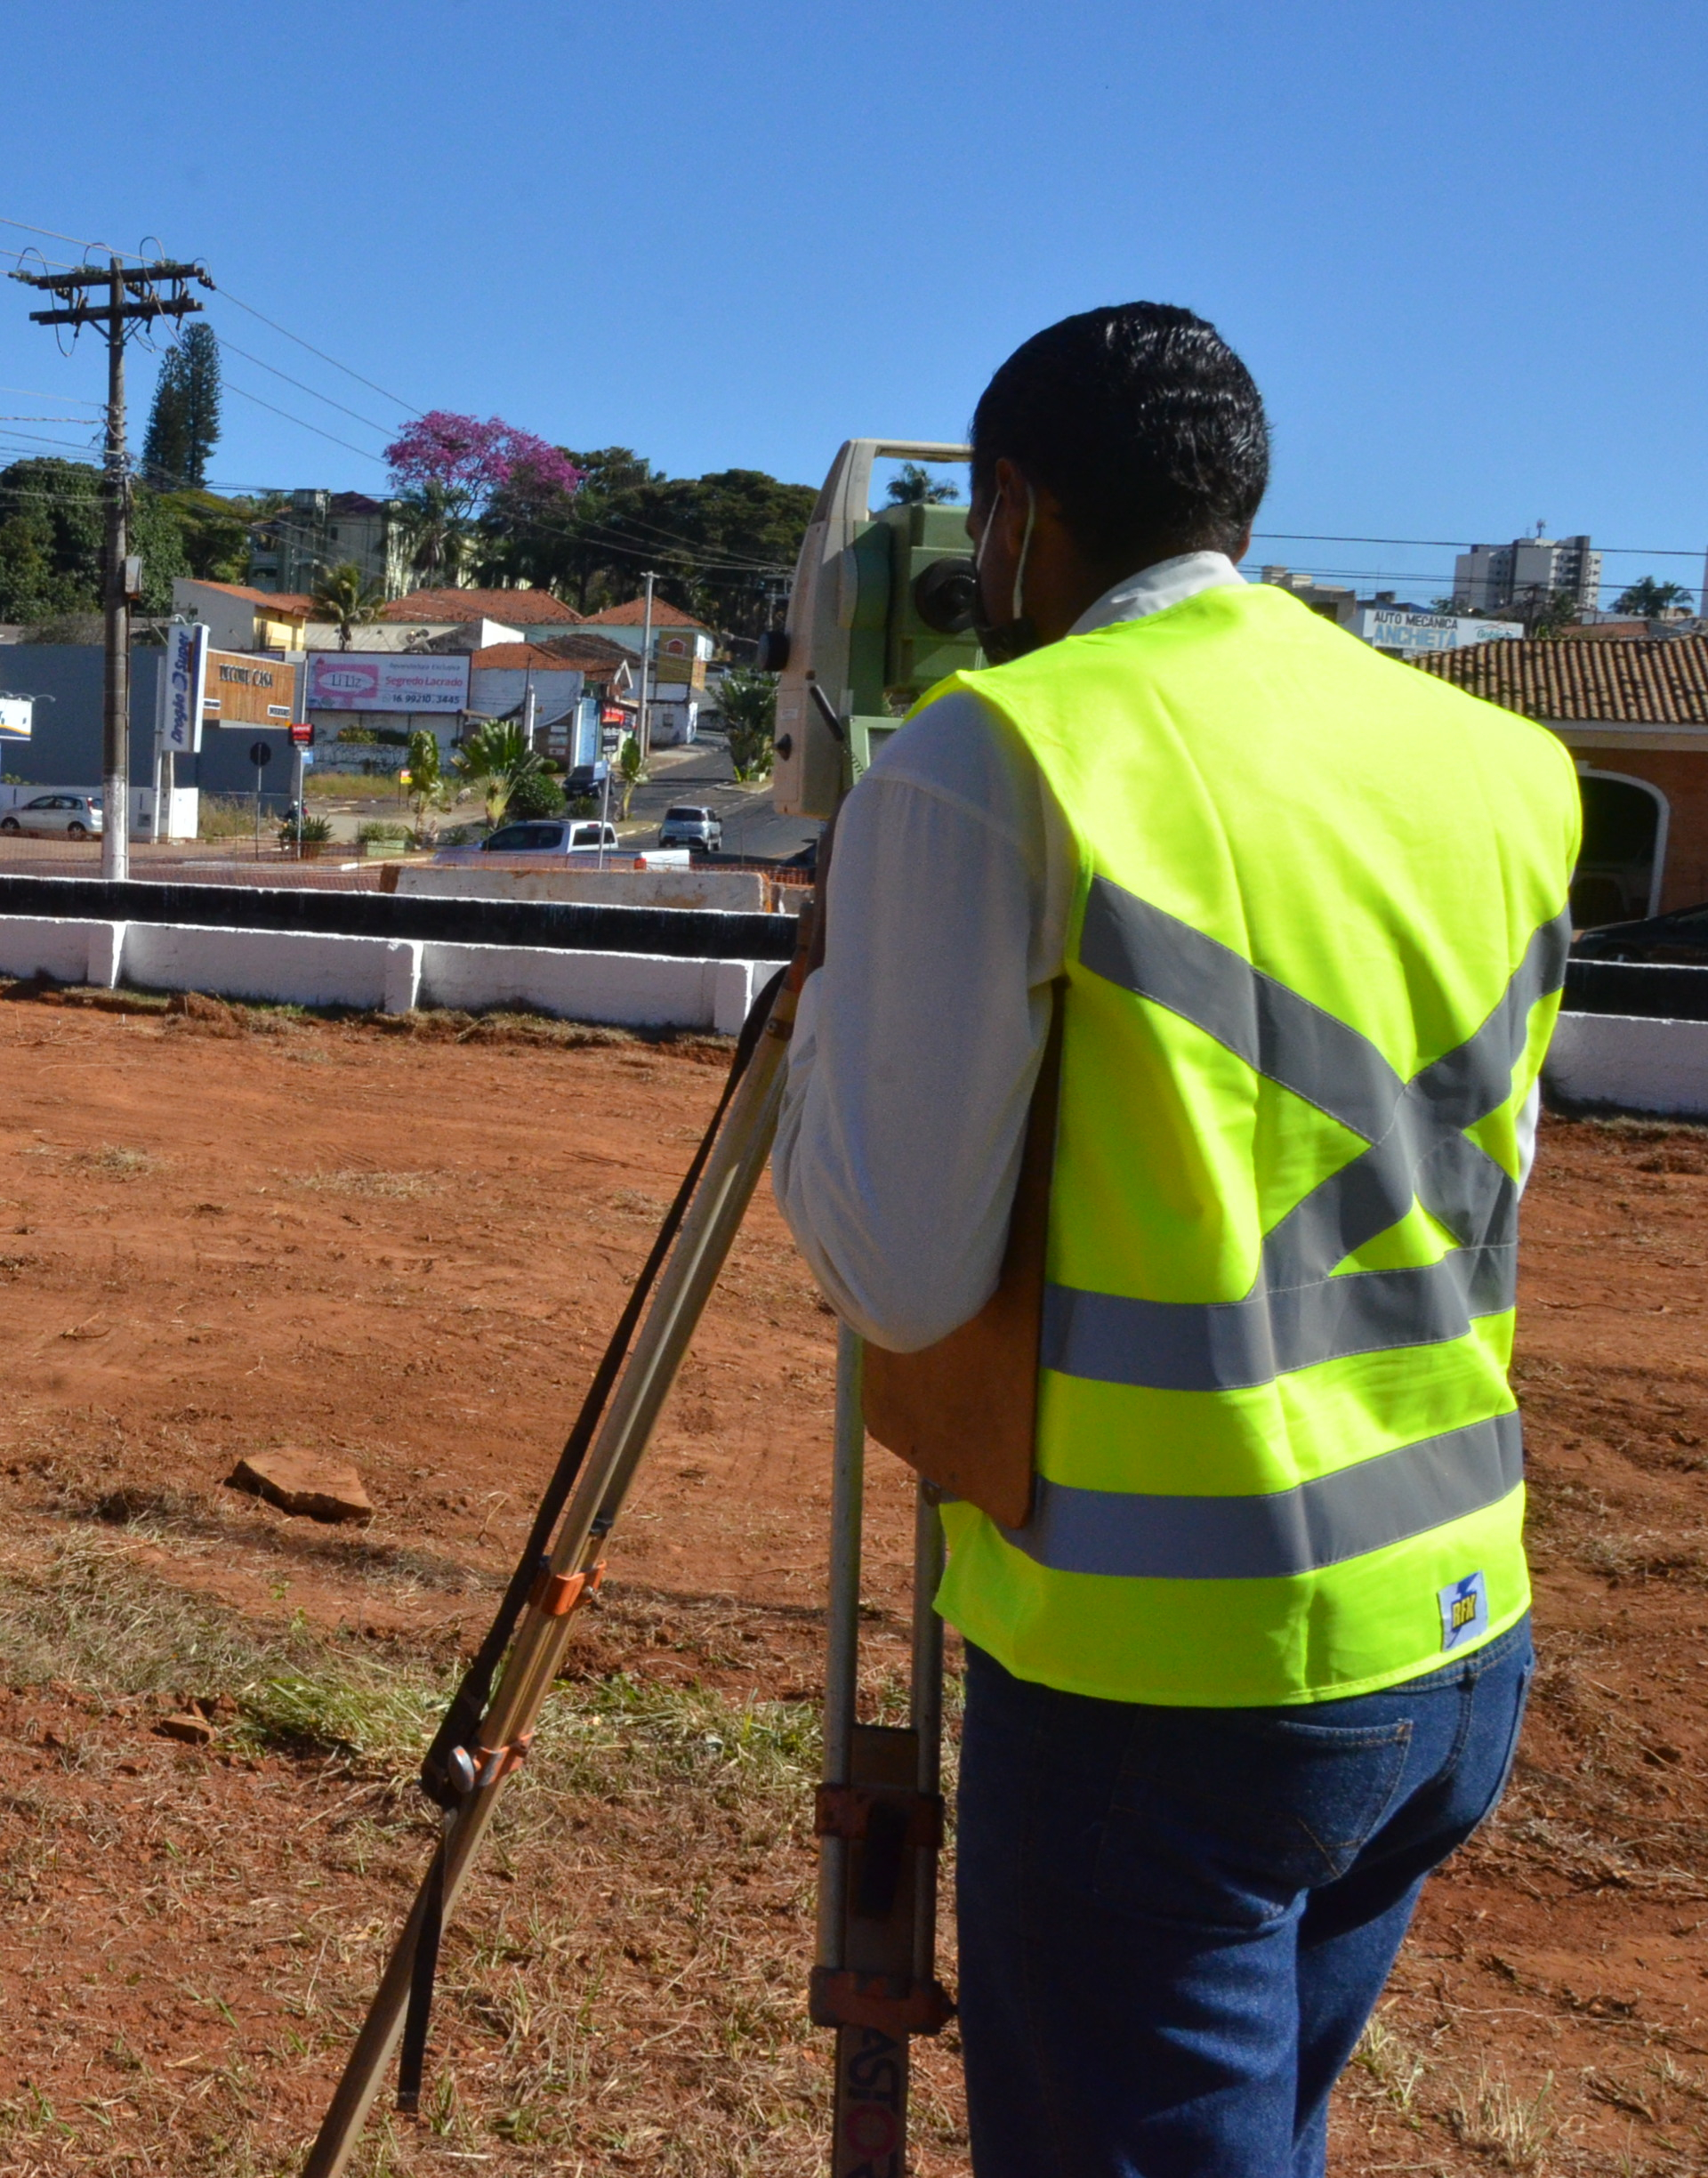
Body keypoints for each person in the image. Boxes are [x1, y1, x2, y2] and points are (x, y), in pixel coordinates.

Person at [771, 303, 1574, 2178]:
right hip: (1456, 1629)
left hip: (1172, 1683)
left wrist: (831, 1005)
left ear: (1019, 515)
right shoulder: (1493, 765)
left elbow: (898, 1270)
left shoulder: (1000, 758)